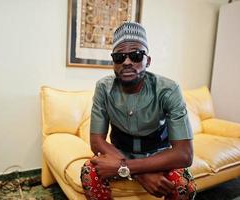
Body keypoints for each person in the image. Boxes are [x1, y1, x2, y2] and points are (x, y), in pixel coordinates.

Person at [80, 22, 196, 200]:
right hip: (119, 153)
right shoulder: (103, 88)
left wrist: (127, 168)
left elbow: (184, 154)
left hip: (158, 158)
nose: (127, 62)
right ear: (113, 62)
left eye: (136, 55)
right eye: (119, 57)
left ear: (147, 60)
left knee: (183, 184)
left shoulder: (169, 90)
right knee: (89, 171)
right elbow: (96, 141)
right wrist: (140, 173)